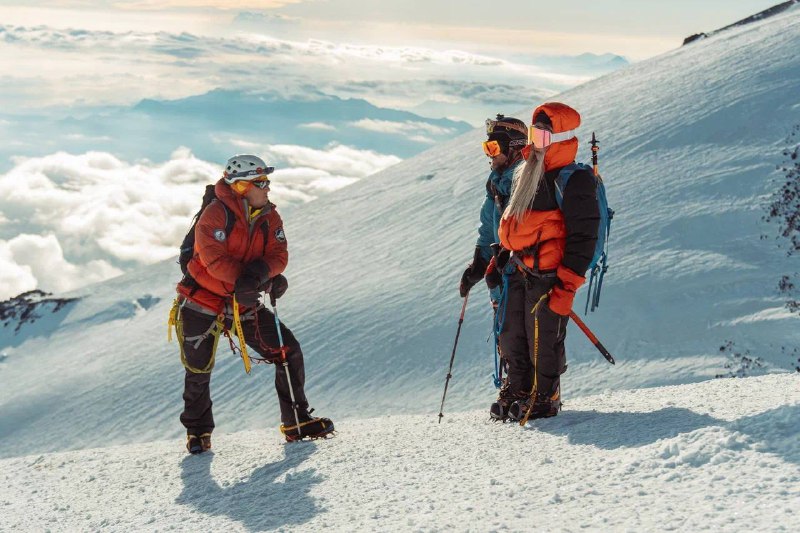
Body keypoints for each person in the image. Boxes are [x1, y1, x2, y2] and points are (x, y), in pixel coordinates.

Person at [175, 154, 333, 452]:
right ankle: (197, 433)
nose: (267, 188)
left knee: (287, 351)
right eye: (261, 182)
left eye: (266, 181)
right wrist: (254, 281)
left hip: (242, 302)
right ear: (241, 187)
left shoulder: (269, 215)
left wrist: (261, 276)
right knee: (198, 369)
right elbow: (213, 261)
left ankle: (296, 422)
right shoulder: (214, 215)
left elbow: (278, 255)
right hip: (203, 300)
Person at [489, 102, 599, 422]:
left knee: (543, 339)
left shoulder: (573, 178)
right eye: (535, 133)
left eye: (544, 134)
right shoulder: (529, 174)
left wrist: (567, 286)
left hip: (551, 275)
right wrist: (504, 254)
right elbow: (523, 227)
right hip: (520, 268)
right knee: (512, 335)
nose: (537, 140)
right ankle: (520, 389)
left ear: (561, 137)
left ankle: (545, 395)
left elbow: (584, 238)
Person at [459, 114, 529, 305]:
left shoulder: (528, 185)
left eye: (493, 148)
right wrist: (479, 264)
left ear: (514, 147)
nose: (489, 154)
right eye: (486, 148)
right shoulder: (496, 184)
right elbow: (490, 228)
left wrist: (508, 267)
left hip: (526, 287)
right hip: (502, 286)